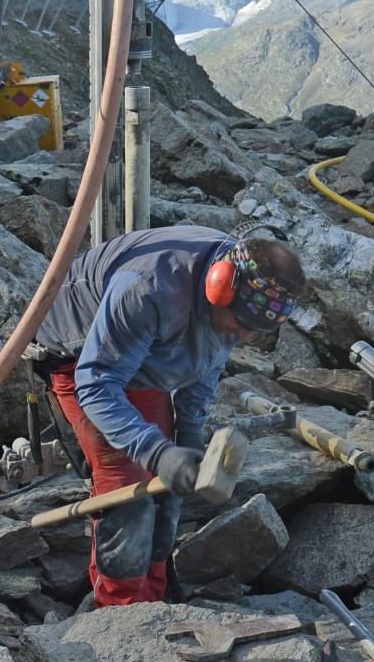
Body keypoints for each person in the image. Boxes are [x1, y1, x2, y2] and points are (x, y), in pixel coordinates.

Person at [32, 225, 306, 606]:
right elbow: (95, 383)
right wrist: (158, 453)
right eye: (242, 324)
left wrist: (188, 432)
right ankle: (120, 611)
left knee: (169, 491)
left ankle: (154, 597)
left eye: (254, 331)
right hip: (82, 359)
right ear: (218, 286)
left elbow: (209, 357)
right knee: (127, 493)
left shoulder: (240, 291)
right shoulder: (149, 288)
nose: (244, 337)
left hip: (142, 356)